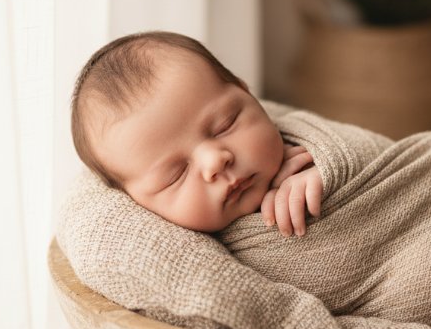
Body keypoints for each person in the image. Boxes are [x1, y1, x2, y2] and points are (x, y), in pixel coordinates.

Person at [71, 31, 322, 237]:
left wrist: (325, 175)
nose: (214, 161)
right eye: (175, 175)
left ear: (247, 93)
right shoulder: (175, 247)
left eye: (226, 124)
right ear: (136, 203)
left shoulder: (307, 149)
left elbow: (357, 155)